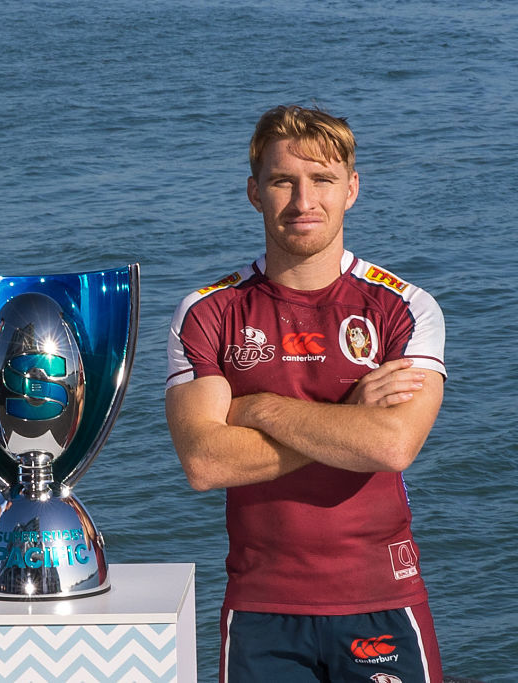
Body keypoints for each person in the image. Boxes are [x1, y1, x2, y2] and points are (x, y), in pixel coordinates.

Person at [165, 105, 446, 683]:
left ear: (352, 189)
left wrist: (256, 408)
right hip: (261, 608)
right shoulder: (208, 312)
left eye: (322, 179)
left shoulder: (405, 307)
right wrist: (350, 421)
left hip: (382, 596)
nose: (303, 200)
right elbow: (205, 462)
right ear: (254, 192)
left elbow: (392, 446)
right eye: (282, 181)